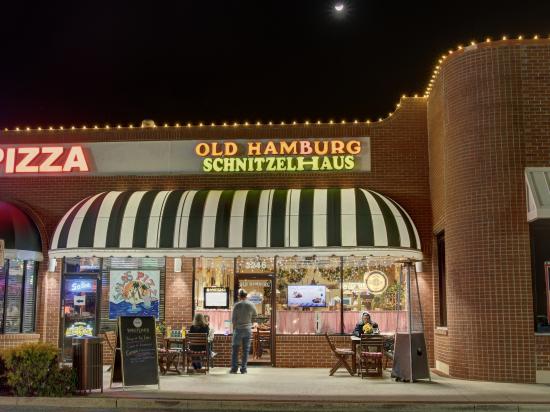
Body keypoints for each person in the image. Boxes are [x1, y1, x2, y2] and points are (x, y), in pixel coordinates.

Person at [230, 289, 257, 374]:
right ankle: (243, 369)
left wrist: (234, 329)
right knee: (246, 350)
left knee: (235, 350)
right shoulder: (251, 305)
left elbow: (233, 320)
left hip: (238, 329)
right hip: (248, 329)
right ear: (246, 296)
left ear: (239, 296)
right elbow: (255, 316)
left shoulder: (236, 305)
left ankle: (234, 368)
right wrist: (250, 323)